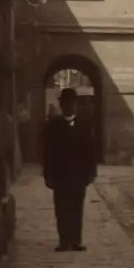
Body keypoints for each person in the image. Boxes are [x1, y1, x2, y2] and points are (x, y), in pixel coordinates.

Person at [41, 87, 98, 251]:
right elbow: (48, 152)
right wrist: (47, 175)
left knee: (76, 207)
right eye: (65, 103)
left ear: (75, 105)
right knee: (61, 208)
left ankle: (76, 241)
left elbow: (91, 151)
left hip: (79, 175)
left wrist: (91, 172)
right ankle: (64, 241)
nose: (68, 107)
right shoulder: (53, 126)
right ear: (62, 105)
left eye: (71, 103)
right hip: (59, 175)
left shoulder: (84, 125)